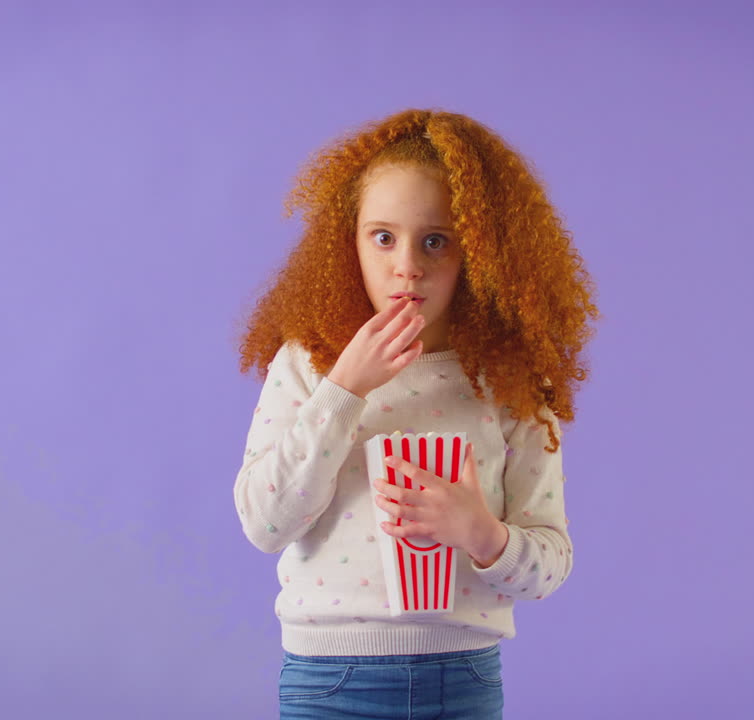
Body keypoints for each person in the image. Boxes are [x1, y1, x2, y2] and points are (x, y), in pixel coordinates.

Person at [233, 108, 599, 719]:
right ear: (348, 242)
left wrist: (482, 533)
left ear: (479, 252)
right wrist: (344, 389)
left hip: (462, 682)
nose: (407, 265)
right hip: (329, 682)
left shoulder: (508, 382)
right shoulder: (308, 365)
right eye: (383, 237)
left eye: (436, 241)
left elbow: (549, 564)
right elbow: (265, 524)